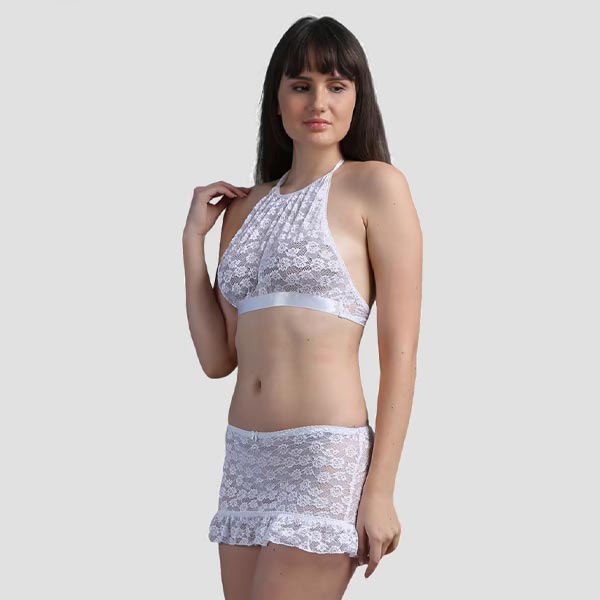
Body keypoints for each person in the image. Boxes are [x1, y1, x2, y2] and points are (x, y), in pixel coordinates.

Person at [182, 15, 422, 600]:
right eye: (301, 85)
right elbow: (217, 359)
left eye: (336, 85)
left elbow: (400, 351)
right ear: (277, 99)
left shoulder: (376, 186)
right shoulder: (243, 209)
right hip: (245, 457)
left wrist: (380, 490)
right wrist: (193, 243)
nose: (318, 102)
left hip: (323, 457)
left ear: (358, 98)